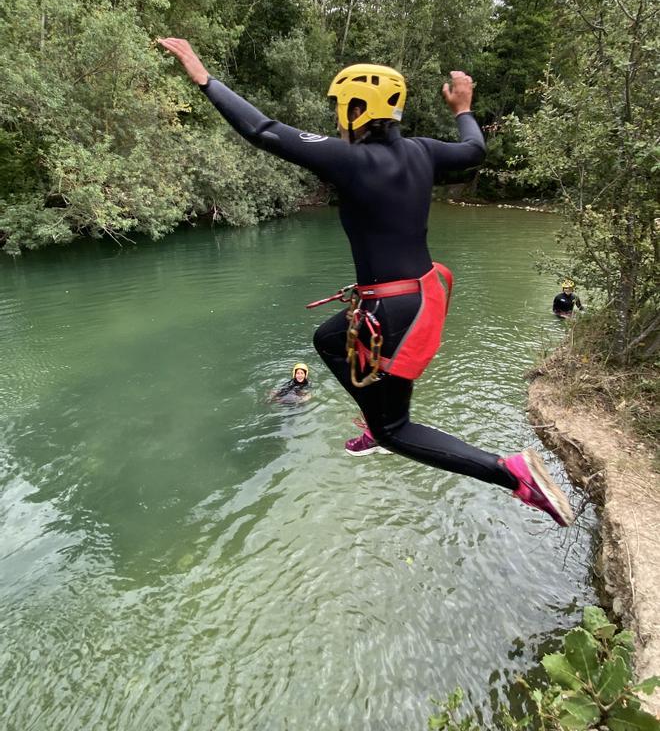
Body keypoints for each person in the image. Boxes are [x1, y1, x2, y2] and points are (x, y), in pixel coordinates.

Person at [158, 38, 574, 528]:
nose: (336, 119)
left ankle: (511, 474)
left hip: (392, 310)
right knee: (327, 338)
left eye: (339, 108)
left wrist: (204, 78)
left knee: (398, 431)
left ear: (358, 109)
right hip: (418, 294)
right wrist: (464, 108)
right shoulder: (423, 152)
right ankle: (377, 419)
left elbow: (263, 130)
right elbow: (475, 148)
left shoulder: (350, 160)